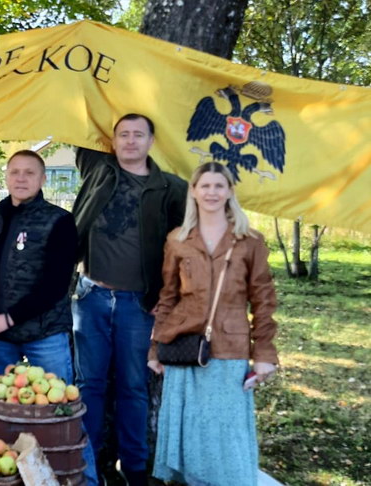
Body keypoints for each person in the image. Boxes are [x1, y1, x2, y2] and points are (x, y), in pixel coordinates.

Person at [71, 113, 187, 485]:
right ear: (113, 140)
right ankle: (88, 468)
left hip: (138, 304)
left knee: (133, 388)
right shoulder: (97, 171)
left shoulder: (171, 188)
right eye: (124, 134)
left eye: (139, 135)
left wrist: (167, 298)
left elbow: (183, 249)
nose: (131, 141)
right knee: (89, 385)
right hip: (90, 297)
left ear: (152, 141)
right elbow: (76, 113)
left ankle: (135, 471)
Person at [147, 162, 278, 485]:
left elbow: (263, 301)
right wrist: (155, 349)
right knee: (190, 435)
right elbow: (168, 297)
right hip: (183, 347)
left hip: (229, 350)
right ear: (193, 191)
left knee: (225, 434)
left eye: (219, 186)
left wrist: (264, 355)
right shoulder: (178, 240)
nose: (212, 192)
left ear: (230, 191)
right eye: (205, 186)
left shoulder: (249, 241)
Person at [0, 150, 77, 379]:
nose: (21, 179)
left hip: (45, 334)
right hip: (0, 336)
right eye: (15, 172)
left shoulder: (59, 220)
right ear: (6, 177)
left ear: (43, 179)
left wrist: (9, 318)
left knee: (56, 397)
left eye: (29, 173)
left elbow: (56, 284)